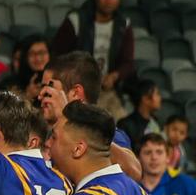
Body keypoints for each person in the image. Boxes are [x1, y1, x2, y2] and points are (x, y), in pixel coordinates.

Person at [38, 50, 142, 180]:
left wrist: (72, 119)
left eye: (48, 90)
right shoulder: (40, 131)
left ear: (76, 93)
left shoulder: (109, 133)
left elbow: (134, 172)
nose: (40, 95)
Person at [53, 0, 136, 108]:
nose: (108, 0)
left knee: (118, 122)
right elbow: (58, 55)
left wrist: (114, 76)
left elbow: (128, 62)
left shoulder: (123, 25)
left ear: (119, 0)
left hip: (106, 90)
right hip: (75, 87)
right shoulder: (76, 20)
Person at [118, 79, 163, 148]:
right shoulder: (126, 125)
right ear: (145, 99)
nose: (160, 98)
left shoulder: (157, 121)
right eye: (157, 94)